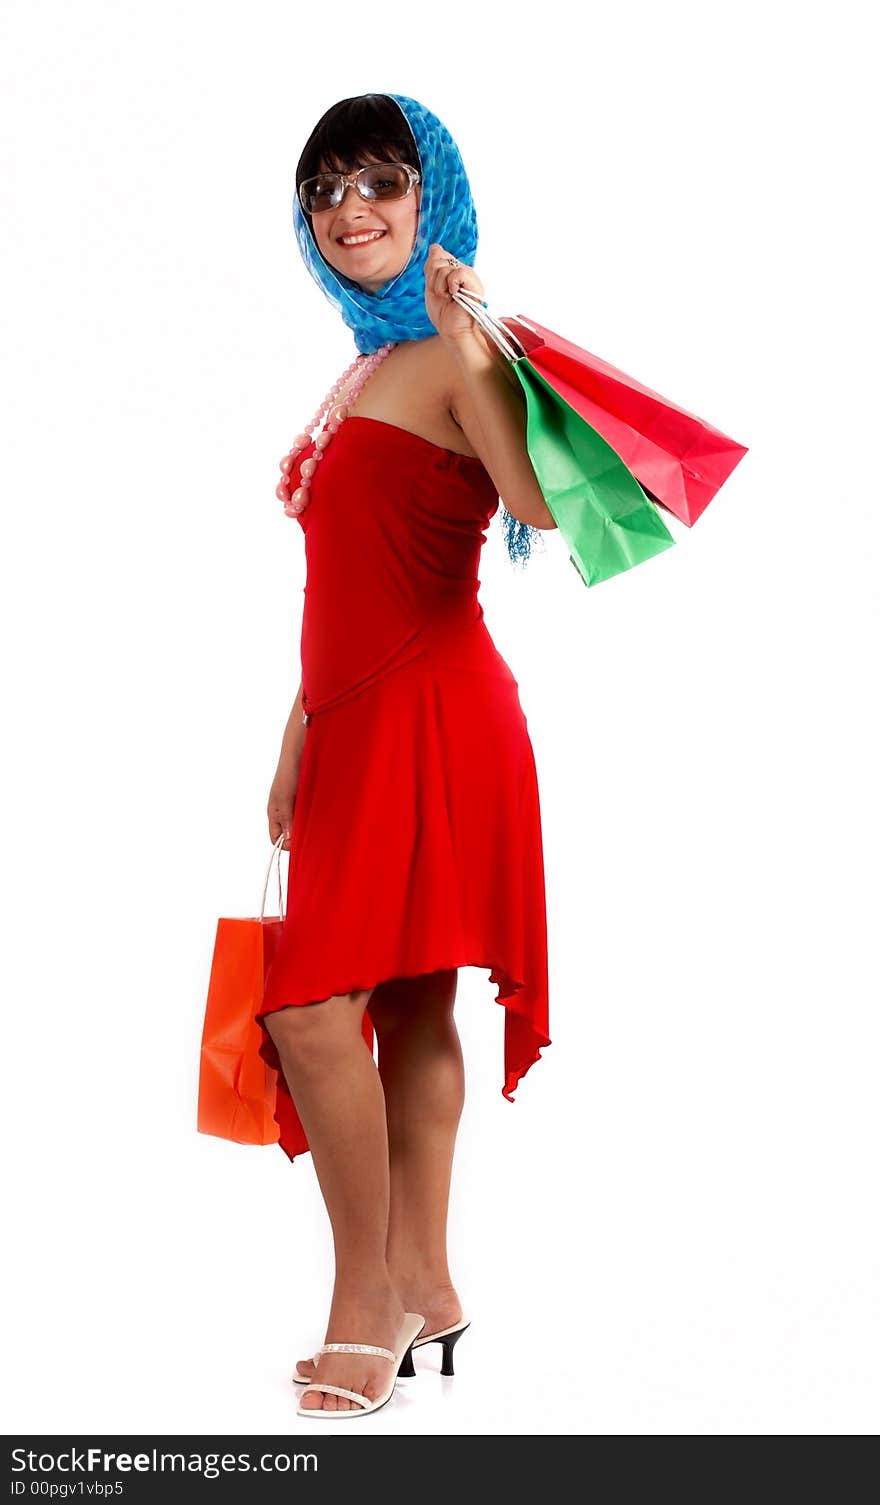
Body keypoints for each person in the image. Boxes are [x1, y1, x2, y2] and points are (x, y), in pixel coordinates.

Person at [255, 92, 555, 1417]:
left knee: (312, 1013)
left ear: (434, 195)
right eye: (327, 188)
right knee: (410, 1000)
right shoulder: (368, 368)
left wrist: (473, 335)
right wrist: (296, 731)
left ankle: (366, 1295)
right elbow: (349, 584)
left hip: (437, 715)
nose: (351, 208)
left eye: (381, 179)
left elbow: (538, 502)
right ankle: (428, 1275)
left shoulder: (446, 351)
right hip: (356, 720)